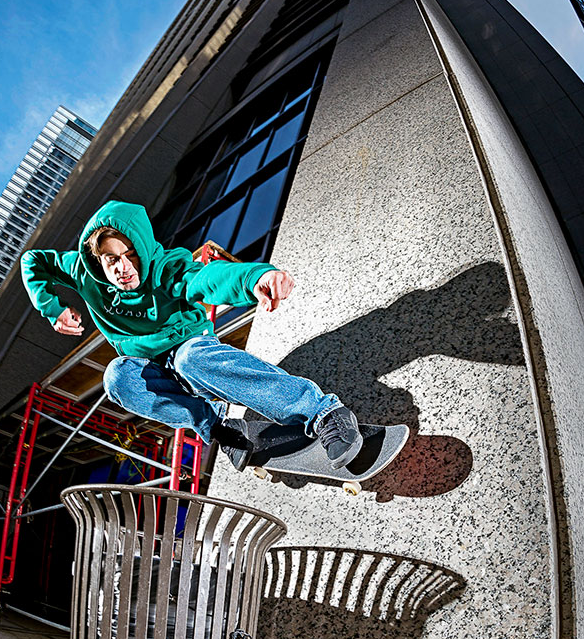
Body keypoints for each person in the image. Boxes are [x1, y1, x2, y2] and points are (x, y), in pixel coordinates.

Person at [21, 200, 362, 472]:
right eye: (111, 259)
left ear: (142, 250)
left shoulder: (166, 268)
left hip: (191, 348)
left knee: (188, 359)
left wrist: (254, 278)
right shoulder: (82, 272)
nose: (122, 268)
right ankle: (218, 428)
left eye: (130, 256)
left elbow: (205, 278)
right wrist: (51, 308)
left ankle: (324, 413)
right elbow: (32, 261)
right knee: (116, 378)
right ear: (98, 260)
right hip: (148, 365)